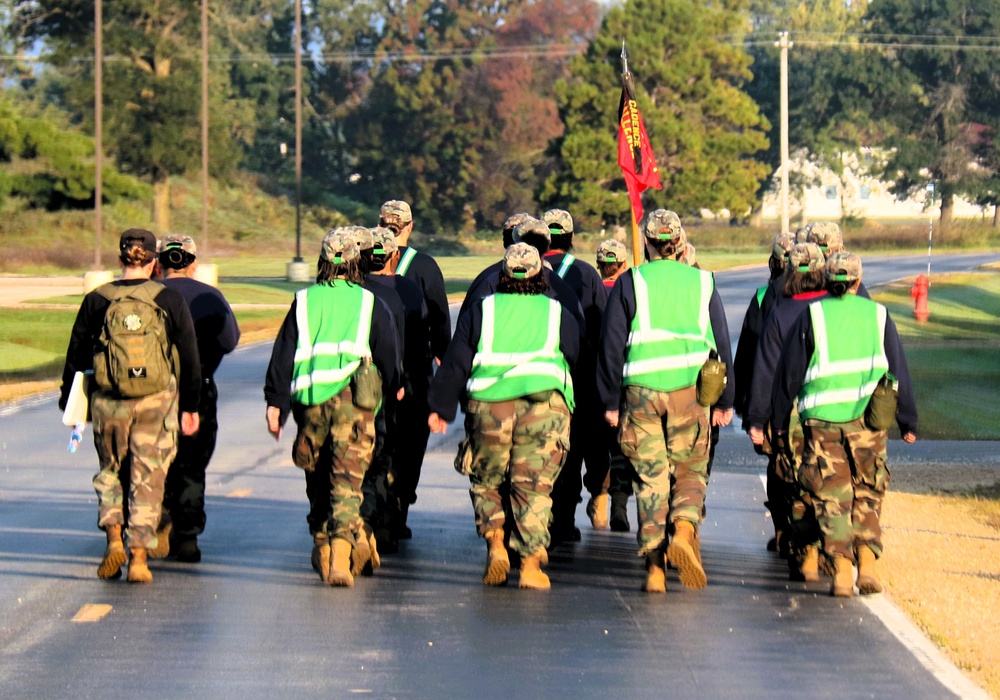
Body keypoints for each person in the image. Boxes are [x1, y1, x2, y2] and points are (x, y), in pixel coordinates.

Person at [428, 243, 579, 589]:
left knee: (487, 479)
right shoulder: (556, 311)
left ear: (503, 275)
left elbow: (456, 362)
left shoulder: (484, 309)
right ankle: (529, 565)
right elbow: (575, 353)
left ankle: (496, 545)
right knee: (533, 485)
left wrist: (440, 407)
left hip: (489, 407)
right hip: (543, 408)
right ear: (542, 276)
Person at [598, 210, 734, 593]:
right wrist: (726, 399)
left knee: (650, 478)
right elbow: (721, 345)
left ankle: (655, 568)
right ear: (680, 241)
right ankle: (685, 529)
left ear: (647, 243)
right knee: (690, 468)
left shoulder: (630, 281)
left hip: (640, 391)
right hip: (691, 391)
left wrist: (609, 400)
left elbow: (611, 346)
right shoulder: (704, 282)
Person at [59, 228, 201, 583]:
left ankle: (112, 539)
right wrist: (192, 405)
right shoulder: (167, 299)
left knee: (110, 471)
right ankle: (139, 556)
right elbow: (189, 355)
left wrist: (69, 399)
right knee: (148, 477)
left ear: (121, 258)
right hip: (156, 402)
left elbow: (76, 355)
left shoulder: (97, 299)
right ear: (154, 262)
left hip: (109, 402)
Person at [771, 252, 917, 597]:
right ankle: (867, 562)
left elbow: (789, 374)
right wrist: (907, 419)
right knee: (868, 488)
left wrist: (779, 421)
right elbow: (898, 371)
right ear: (856, 280)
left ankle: (841, 570)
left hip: (822, 421)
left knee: (832, 495)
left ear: (827, 280)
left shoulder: (813, 316)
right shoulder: (878, 315)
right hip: (869, 419)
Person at [264, 229, 400, 587]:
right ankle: (341, 552)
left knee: (317, 476)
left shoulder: (304, 301)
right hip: (354, 403)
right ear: (357, 263)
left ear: (323, 263)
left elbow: (283, 354)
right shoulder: (369, 302)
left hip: (310, 405)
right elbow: (388, 355)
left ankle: (321, 544)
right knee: (347, 480)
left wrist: (274, 404)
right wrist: (396, 387)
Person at [154, 234, 240, 563]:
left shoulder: (150, 294)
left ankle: (160, 521)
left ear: (159, 263)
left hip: (154, 392)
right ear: (193, 264)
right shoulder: (210, 295)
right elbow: (230, 341)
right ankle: (187, 535)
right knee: (191, 463)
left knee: (156, 461)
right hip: (200, 387)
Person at [746, 242, 827, 579]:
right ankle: (825, 546)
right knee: (828, 480)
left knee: (792, 479)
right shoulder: (832, 310)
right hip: (830, 408)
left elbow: (764, 369)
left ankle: (802, 549)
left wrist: (757, 418)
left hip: (790, 411)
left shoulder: (780, 312)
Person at [378, 200, 451, 536]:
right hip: (415, 370)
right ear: (409, 226)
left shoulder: (366, 262)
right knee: (410, 442)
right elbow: (439, 318)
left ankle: (378, 505)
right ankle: (399, 506)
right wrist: (443, 355)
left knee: (380, 440)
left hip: (376, 369)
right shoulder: (425, 266)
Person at [540, 209, 610, 534]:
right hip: (580, 376)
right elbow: (603, 327)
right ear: (571, 237)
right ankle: (566, 518)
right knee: (575, 445)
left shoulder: (520, 271)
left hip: (537, 375)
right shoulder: (586, 274)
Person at [595, 239, 635, 531]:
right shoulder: (631, 292)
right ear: (624, 265)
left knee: (596, 446)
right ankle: (619, 502)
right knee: (622, 447)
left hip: (593, 380)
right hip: (625, 379)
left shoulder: (592, 291)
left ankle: (598, 498)